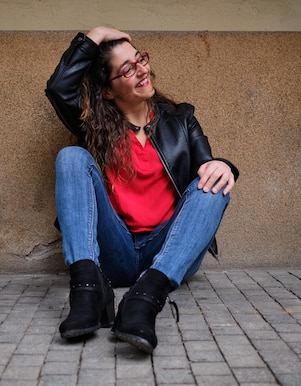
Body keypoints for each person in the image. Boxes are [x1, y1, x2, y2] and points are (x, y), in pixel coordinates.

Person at [45, 26, 239, 354]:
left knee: (215, 187)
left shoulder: (182, 119)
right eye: (128, 69)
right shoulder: (94, 124)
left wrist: (223, 165)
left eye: (141, 60)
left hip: (167, 250)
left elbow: (207, 169)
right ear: (108, 91)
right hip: (114, 249)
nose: (142, 70)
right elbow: (59, 87)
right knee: (71, 158)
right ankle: (88, 290)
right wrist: (96, 34)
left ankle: (145, 299)